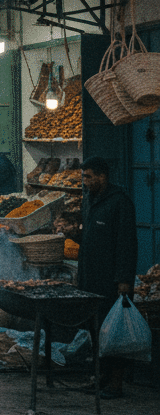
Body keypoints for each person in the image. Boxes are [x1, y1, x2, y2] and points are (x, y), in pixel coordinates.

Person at [79, 156, 139, 399]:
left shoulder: (120, 202)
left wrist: (124, 279)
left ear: (102, 177)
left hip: (112, 281)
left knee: (115, 332)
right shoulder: (89, 201)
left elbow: (127, 244)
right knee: (96, 330)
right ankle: (100, 376)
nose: (84, 182)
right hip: (90, 278)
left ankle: (116, 384)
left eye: (88, 177)